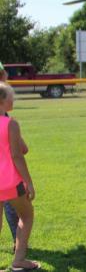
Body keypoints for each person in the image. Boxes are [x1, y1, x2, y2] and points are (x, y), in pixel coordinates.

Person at [0, 83, 39, 271]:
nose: (13, 99)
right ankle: (19, 260)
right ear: (2, 100)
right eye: (10, 96)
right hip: (9, 182)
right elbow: (18, 155)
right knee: (27, 215)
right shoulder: (11, 123)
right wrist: (29, 182)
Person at [0, 62, 21, 252]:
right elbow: (18, 150)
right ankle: (18, 247)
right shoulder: (6, 117)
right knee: (15, 207)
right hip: (6, 172)